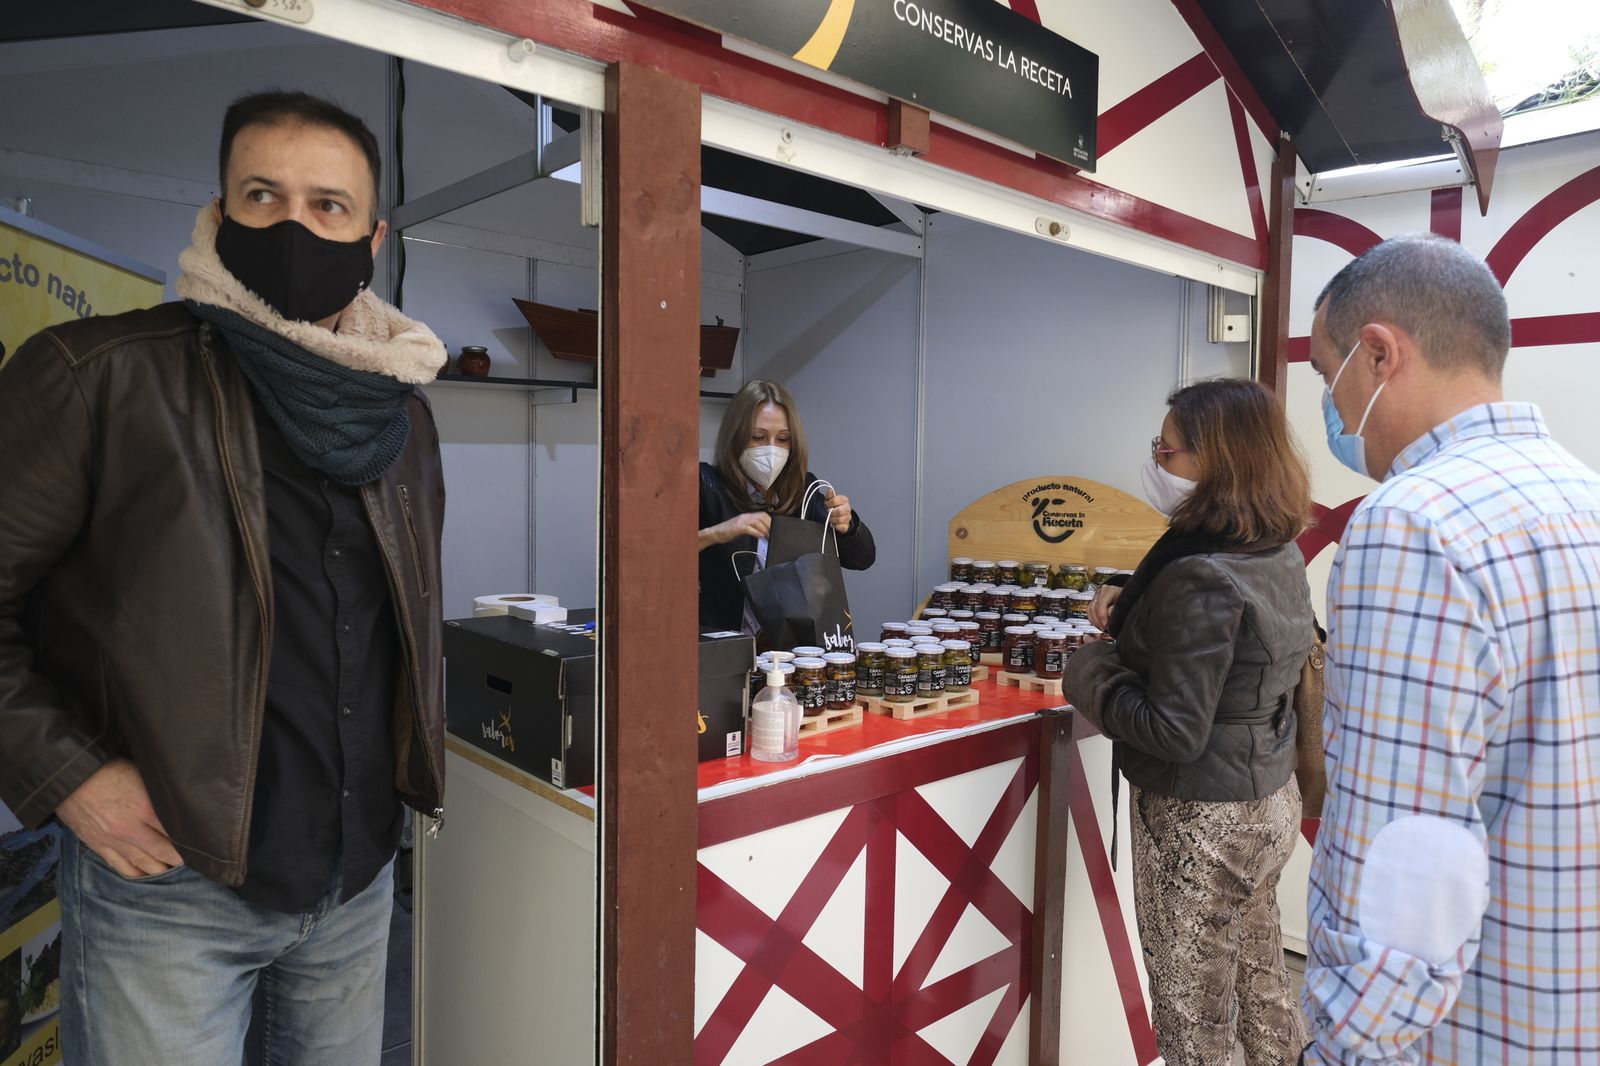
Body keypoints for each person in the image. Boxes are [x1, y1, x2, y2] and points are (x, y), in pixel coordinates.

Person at [0, 91, 448, 1065]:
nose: (294, 227)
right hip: (170, 884)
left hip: (354, 878)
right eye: (262, 196)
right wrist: (69, 776)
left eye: (328, 206)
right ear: (218, 212)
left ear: (372, 240)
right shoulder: (99, 376)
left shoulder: (401, 415)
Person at [1301, 234, 1600, 1064]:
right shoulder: (1585, 497)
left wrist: (1345, 1049)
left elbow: (1405, 852)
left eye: (1327, 375)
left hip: (1472, 1027)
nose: (1331, 406)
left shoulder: (1413, 524)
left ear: (1378, 353)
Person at [1062, 378, 1315, 1066]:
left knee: (1192, 1021)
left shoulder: (1199, 572)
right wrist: (1138, 606)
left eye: (1165, 450)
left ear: (1217, 460)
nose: (1155, 461)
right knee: (1262, 987)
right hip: (1267, 797)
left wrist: (1090, 670)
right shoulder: (1271, 547)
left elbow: (1172, 729)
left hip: (1201, 821)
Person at [697, 378, 875, 634]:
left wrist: (848, 525)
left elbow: (863, 558)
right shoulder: (707, 486)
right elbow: (664, 556)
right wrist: (718, 532)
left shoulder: (803, 491)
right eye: (758, 437)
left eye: (783, 439)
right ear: (735, 437)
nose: (771, 449)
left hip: (790, 648)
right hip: (726, 643)